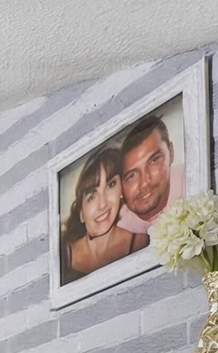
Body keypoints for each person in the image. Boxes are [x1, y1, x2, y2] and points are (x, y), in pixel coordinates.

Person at [59, 144, 146, 281]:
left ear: (121, 192)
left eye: (111, 185)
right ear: (81, 213)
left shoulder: (142, 243)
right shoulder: (62, 255)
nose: (103, 204)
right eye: (92, 197)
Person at [116, 113, 178, 233]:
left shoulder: (191, 183)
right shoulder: (120, 231)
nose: (144, 183)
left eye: (154, 161)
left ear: (170, 153)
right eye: (131, 176)